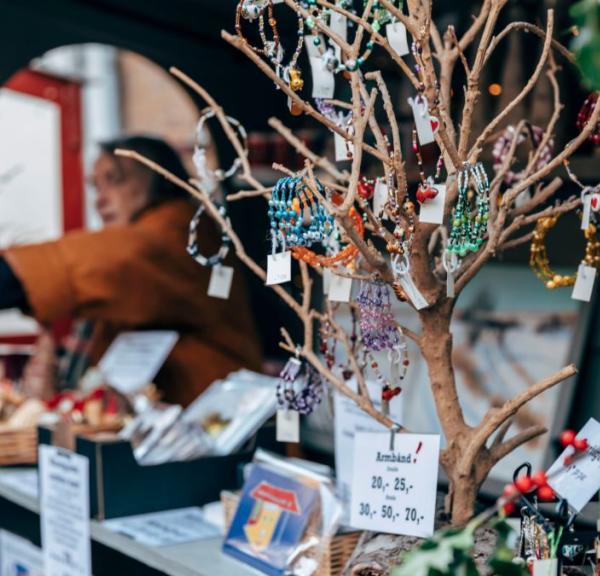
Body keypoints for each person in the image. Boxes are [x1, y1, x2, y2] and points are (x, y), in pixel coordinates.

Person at [0, 135, 261, 406]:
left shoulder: (180, 234)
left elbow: (115, 258)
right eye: (96, 187)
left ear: (159, 178)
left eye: (114, 180)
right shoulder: (145, 241)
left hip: (217, 419)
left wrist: (14, 277)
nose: (99, 201)